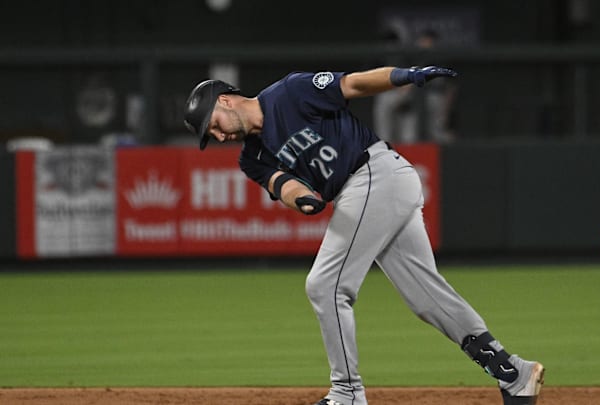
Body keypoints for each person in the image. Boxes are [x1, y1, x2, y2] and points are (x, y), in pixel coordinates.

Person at [183, 66, 544, 405]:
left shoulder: (288, 93)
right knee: (426, 297)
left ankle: (346, 393)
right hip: (369, 191)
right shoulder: (251, 156)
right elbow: (283, 184)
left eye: (212, 125)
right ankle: (514, 373)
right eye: (210, 136)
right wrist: (302, 199)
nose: (218, 136)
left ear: (225, 100)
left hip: (374, 173)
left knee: (324, 285)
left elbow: (352, 84)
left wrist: (405, 75)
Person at [372, 29, 458, 144]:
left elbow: (451, 86)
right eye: (424, 40)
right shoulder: (410, 55)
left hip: (426, 96)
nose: (426, 43)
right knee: (387, 133)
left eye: (429, 41)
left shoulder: (438, 58)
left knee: (427, 133)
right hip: (402, 94)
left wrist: (404, 95)